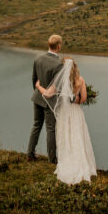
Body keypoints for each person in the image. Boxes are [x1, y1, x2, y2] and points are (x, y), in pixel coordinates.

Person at [35, 56, 97, 184]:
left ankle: (67, 161)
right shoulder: (81, 80)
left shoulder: (60, 82)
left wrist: (38, 86)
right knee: (78, 136)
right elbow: (83, 99)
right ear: (75, 67)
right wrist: (75, 100)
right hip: (76, 113)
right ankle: (82, 163)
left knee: (65, 136)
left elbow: (47, 94)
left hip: (64, 113)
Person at [27, 34, 64, 163]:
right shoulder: (59, 64)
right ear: (58, 46)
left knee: (36, 125)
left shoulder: (38, 58)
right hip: (50, 101)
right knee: (51, 129)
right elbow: (58, 87)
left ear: (49, 44)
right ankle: (52, 159)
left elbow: (34, 79)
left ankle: (30, 154)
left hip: (37, 97)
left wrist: (38, 93)